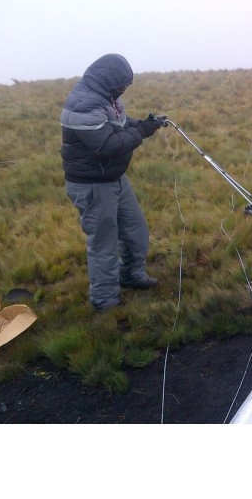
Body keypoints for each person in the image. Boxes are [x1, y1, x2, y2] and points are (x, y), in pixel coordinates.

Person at [60, 53, 165, 312]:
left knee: (135, 229)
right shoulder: (83, 104)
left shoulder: (106, 98)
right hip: (92, 185)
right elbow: (107, 146)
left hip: (114, 177)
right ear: (109, 81)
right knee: (103, 244)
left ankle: (131, 274)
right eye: (122, 85)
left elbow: (117, 124)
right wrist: (141, 132)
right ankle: (104, 300)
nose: (124, 90)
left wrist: (142, 124)